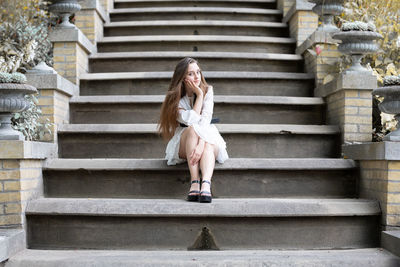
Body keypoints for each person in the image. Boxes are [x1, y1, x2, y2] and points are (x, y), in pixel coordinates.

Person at [158, 57, 229, 203]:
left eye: (198, 72)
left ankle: (205, 185)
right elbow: (191, 120)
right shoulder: (175, 98)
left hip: (207, 135)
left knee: (208, 145)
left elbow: (205, 120)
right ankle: (195, 180)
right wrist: (200, 97)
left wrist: (202, 144)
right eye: (191, 74)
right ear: (182, 77)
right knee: (191, 130)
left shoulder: (208, 90)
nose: (197, 77)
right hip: (185, 140)